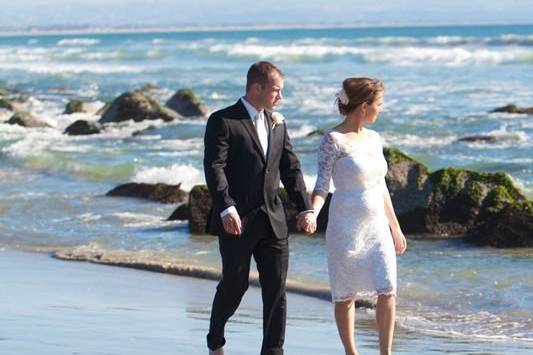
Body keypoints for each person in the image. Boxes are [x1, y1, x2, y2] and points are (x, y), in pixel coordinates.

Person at [203, 61, 314, 355]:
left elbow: (290, 168)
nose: (280, 97)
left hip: (274, 220)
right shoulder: (223, 121)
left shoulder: (277, 122)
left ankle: (273, 352)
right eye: (276, 90)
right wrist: (226, 208)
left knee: (276, 290)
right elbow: (215, 167)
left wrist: (304, 208)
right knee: (235, 285)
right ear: (257, 87)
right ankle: (215, 337)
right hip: (237, 220)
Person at [303, 78, 407, 355]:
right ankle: (352, 353)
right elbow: (322, 184)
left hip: (377, 227)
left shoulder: (374, 138)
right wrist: (313, 212)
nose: (381, 110)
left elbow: (380, 185)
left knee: (387, 289)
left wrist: (395, 228)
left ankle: (386, 353)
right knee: (345, 294)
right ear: (364, 106)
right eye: (379, 104)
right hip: (345, 227)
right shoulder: (332, 140)